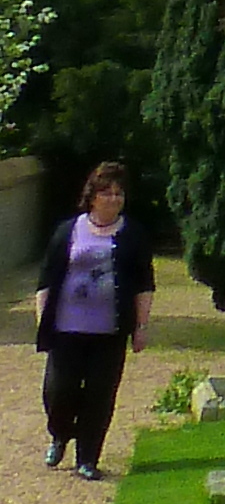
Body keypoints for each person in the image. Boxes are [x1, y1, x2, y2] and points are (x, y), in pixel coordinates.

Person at [35, 161, 157, 481]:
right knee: (58, 392)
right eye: (107, 193)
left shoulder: (133, 234)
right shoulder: (67, 231)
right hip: (66, 328)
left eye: (119, 194)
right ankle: (60, 434)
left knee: (99, 397)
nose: (114, 199)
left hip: (109, 332)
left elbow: (144, 284)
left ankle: (88, 457)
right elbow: (47, 279)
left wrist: (141, 327)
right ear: (92, 197)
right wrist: (42, 322)